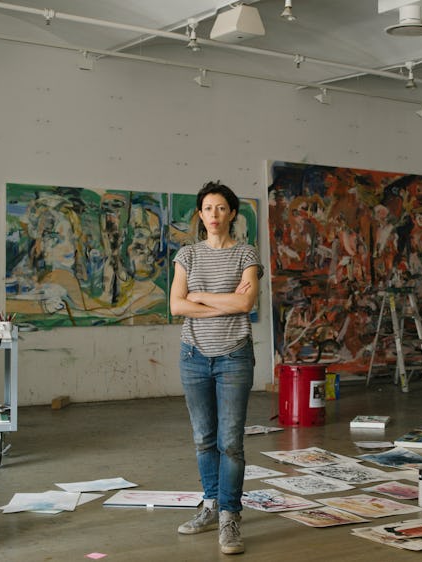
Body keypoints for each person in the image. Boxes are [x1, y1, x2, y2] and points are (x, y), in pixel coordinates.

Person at [169, 181, 262, 555]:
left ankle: (229, 515)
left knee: (231, 442)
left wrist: (200, 296)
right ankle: (210, 505)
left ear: (232, 213)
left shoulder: (246, 254)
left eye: (221, 208)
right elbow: (176, 306)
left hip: (234, 355)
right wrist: (221, 301)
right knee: (203, 438)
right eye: (208, 208)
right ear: (200, 214)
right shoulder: (187, 255)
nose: (214, 215)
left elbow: (245, 305)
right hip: (193, 355)